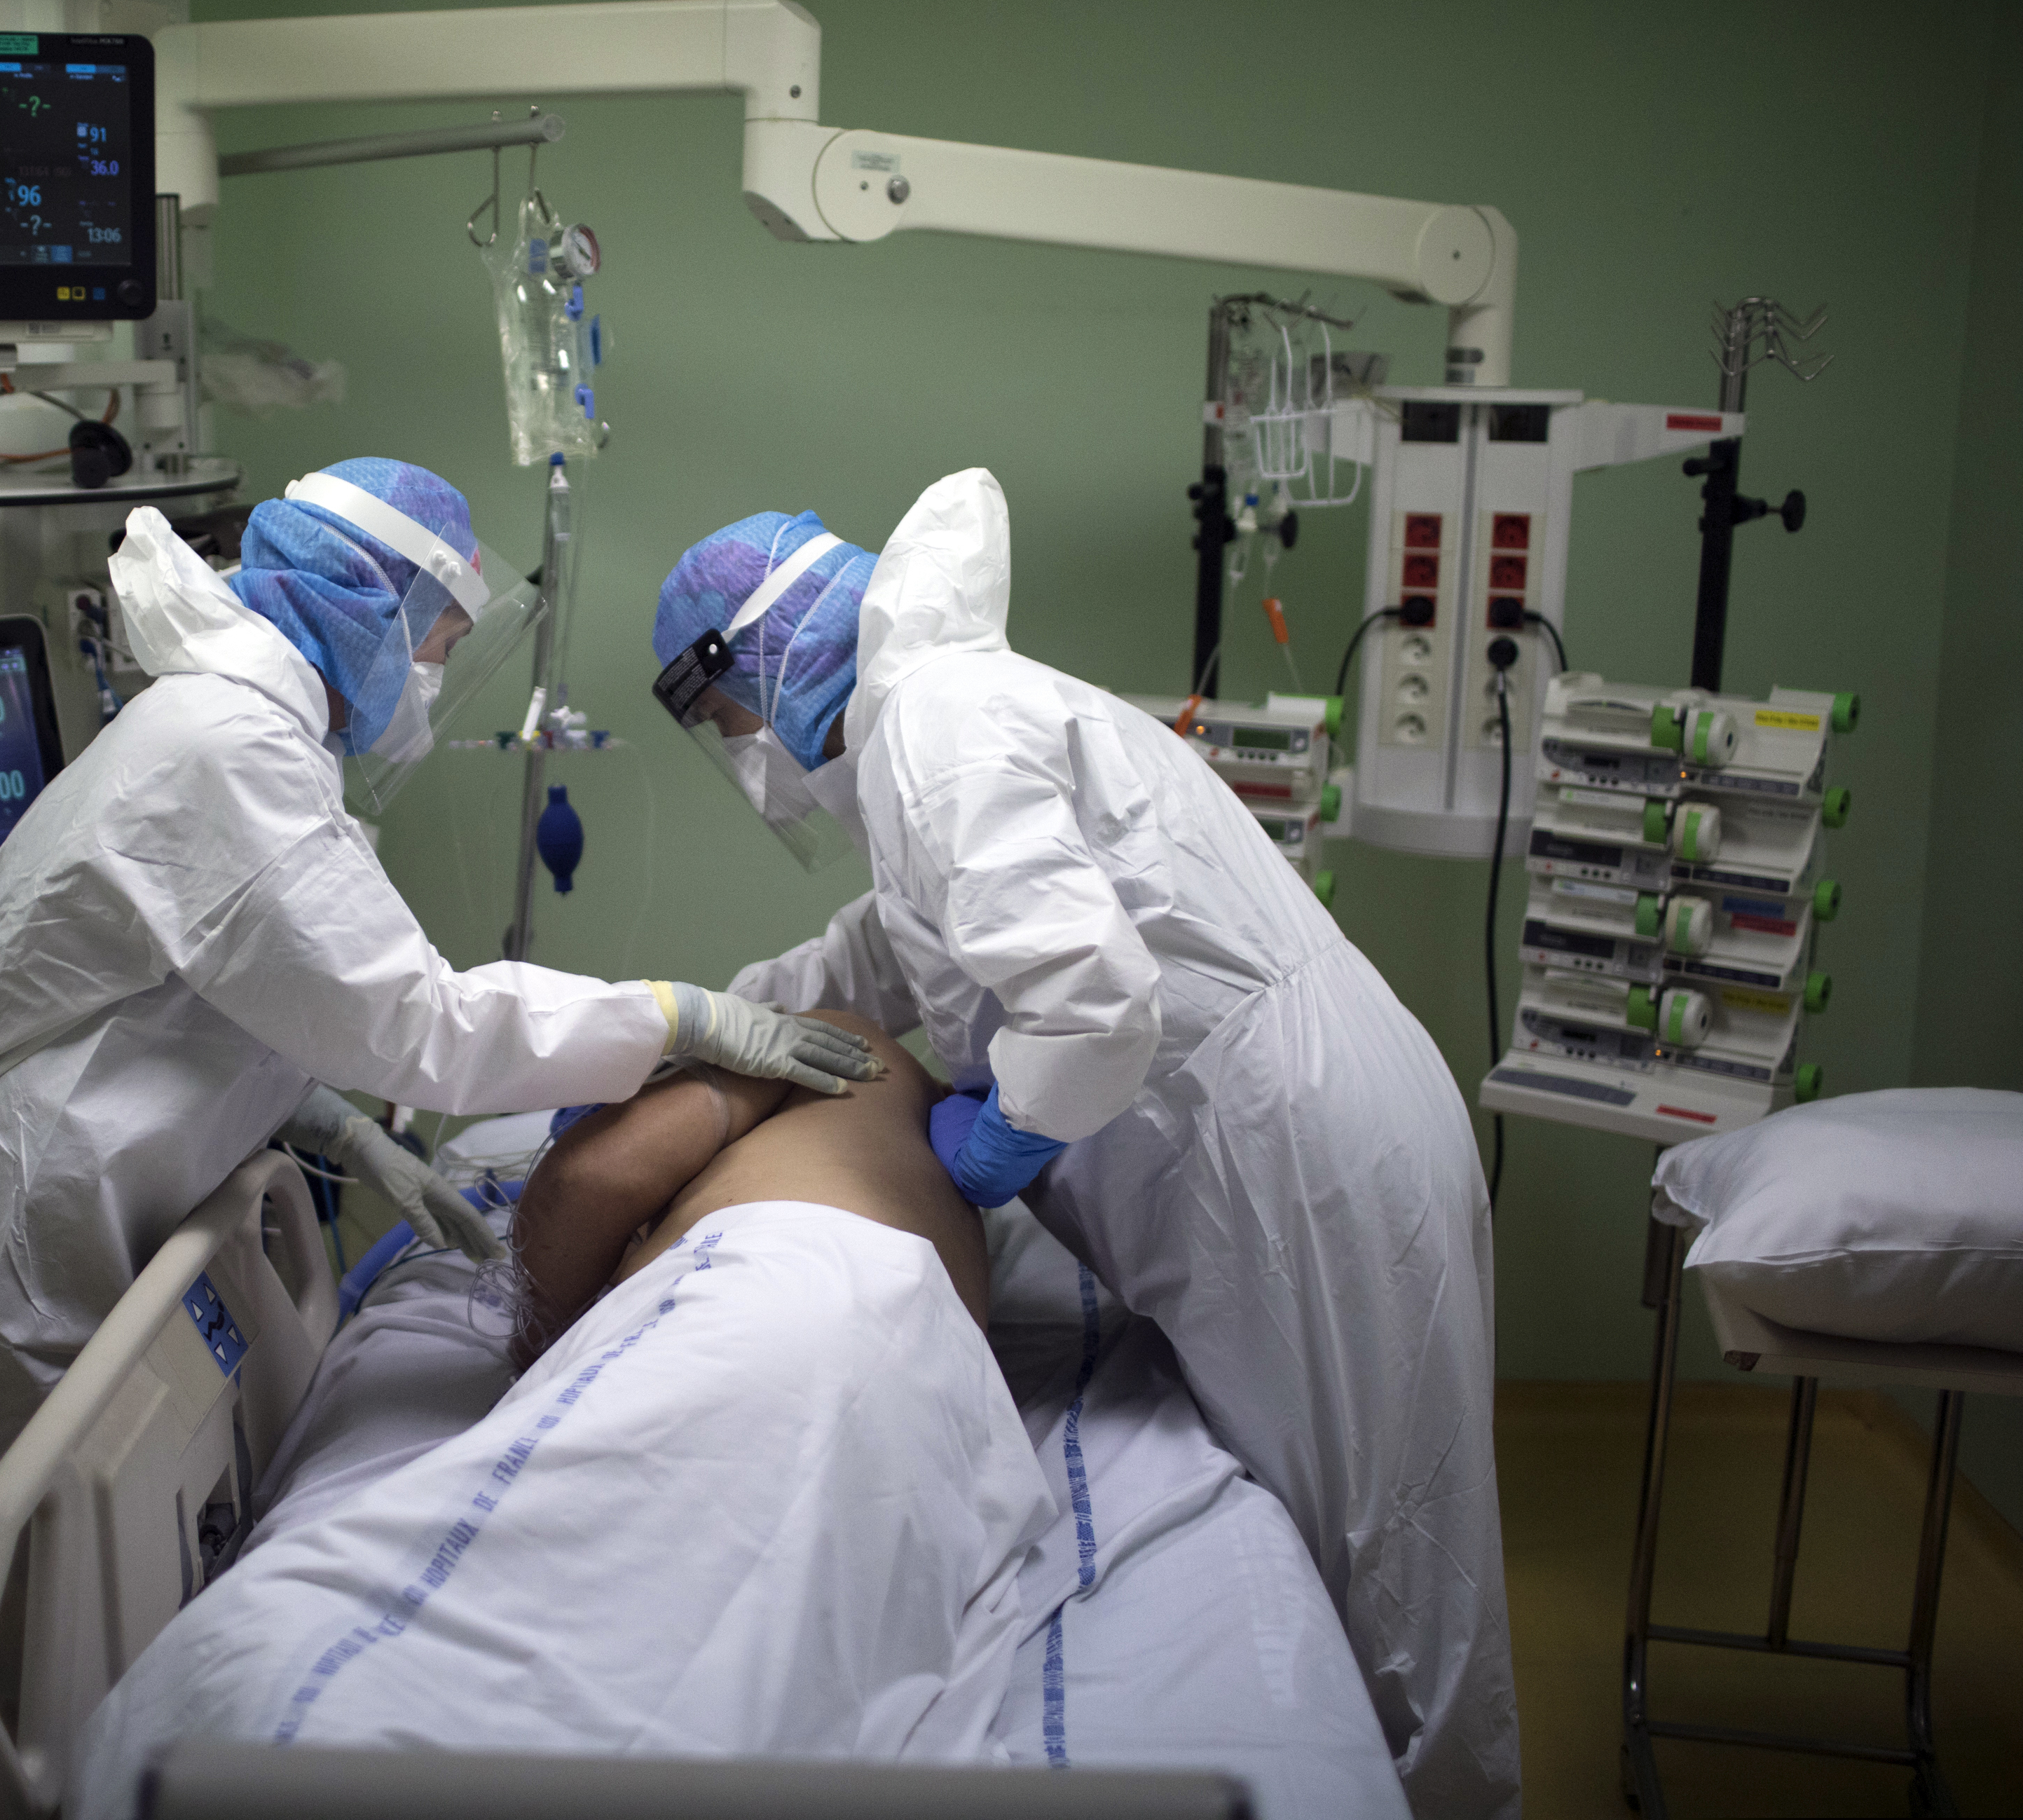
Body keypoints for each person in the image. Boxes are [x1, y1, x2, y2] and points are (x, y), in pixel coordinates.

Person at [0, 457, 878, 1819]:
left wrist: (337, 1128)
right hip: (15, 1241)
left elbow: (217, 1010)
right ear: (363, 607)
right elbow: (415, 1021)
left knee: (55, 1629)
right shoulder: (223, 748)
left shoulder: (248, 747)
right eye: (438, 642)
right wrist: (675, 1014)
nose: (437, 674)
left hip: (81, 1196)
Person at [645, 470, 1518, 1820]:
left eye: (723, 715)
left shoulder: (938, 726)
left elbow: (1095, 1001)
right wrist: (706, 1022)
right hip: (1280, 1128)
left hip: (1294, 1150)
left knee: (1392, 1563)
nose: (743, 749)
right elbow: (894, 947)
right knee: (1374, 1535)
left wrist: (992, 1143)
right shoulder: (926, 735)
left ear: (768, 654)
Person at [65, 1011, 1053, 1814]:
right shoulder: (912, 1141)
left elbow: (581, 1188)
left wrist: (552, 1348)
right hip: (924, 1396)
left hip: (779, 1309)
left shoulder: (838, 1041)